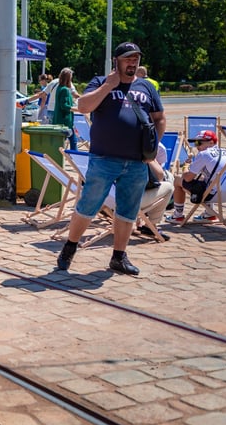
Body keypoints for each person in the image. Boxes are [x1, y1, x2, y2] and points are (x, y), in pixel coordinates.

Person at [56, 42, 165, 276]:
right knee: (88, 205)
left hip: (136, 161)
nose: (133, 62)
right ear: (116, 61)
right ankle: (70, 247)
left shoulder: (146, 86)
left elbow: (159, 117)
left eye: (136, 58)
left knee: (127, 211)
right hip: (104, 158)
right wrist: (108, 85)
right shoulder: (99, 82)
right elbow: (83, 106)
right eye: (128, 58)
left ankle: (119, 257)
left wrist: (152, 148)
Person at [165, 130, 226, 223]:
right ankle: (209, 215)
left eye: (199, 143)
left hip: (214, 195)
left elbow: (187, 178)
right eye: (195, 143)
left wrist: (186, 166)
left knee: (178, 180)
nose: (197, 146)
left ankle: (177, 216)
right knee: (205, 180)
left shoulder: (204, 154)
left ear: (211, 142)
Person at [51, 67, 78, 151]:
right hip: (65, 121)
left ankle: (73, 157)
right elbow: (64, 106)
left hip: (60, 120)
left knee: (70, 141)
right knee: (72, 141)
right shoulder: (65, 90)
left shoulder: (59, 88)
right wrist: (78, 109)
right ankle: (75, 158)